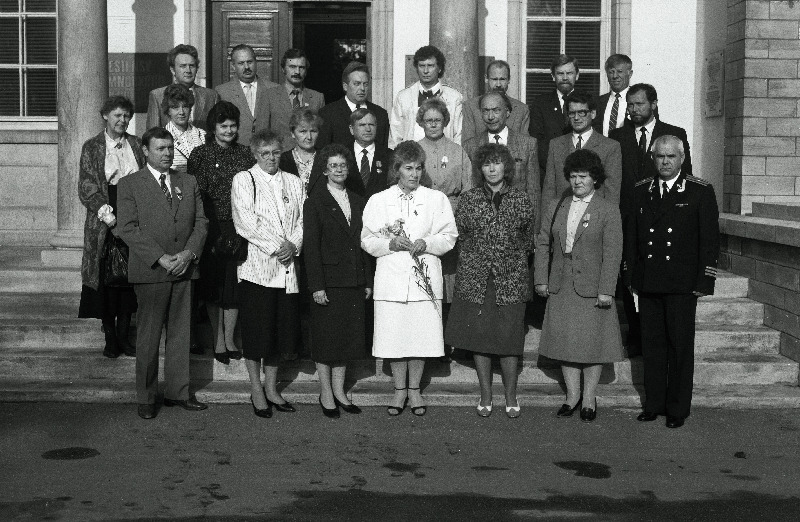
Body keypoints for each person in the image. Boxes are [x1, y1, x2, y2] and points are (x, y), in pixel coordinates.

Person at [624, 135, 719, 429]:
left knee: (679, 346)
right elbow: (632, 237)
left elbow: (709, 240)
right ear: (653, 158)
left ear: (681, 158)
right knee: (652, 346)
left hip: (681, 282)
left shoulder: (699, 191)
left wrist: (704, 280)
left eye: (670, 157)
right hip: (649, 280)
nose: (665, 162)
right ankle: (654, 404)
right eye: (660, 157)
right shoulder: (641, 190)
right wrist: (630, 276)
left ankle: (677, 408)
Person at [117, 127, 209, 420]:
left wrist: (188, 254)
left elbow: (201, 222)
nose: (167, 154)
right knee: (149, 335)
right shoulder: (130, 184)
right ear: (145, 151)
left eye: (170, 148)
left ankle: (177, 392)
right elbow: (128, 228)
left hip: (184, 267)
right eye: (160, 149)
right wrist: (160, 257)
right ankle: (146, 396)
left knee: (181, 334)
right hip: (151, 270)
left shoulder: (188, 180)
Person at [361, 141, 458, 416]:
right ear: (397, 170)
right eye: (408, 168)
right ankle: (398, 390)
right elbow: (367, 239)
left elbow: (449, 235)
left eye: (418, 168)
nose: (414, 174)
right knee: (394, 337)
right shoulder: (379, 200)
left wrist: (425, 243)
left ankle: (414, 390)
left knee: (419, 337)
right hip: (391, 279)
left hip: (424, 276)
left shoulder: (435, 199)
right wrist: (390, 245)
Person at [445, 143, 534, 418]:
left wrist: (507, 258)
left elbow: (527, 239)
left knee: (508, 339)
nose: (492, 169)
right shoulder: (469, 199)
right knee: (480, 337)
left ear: (506, 167)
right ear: (480, 168)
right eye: (487, 164)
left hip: (510, 278)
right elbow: (459, 236)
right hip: (476, 277)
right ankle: (486, 394)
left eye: (497, 163)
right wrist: (478, 259)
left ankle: (510, 395)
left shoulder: (520, 199)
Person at [534, 149, 624, 422]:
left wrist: (607, 288)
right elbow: (542, 243)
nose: (577, 182)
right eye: (573, 176)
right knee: (566, 343)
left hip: (593, 286)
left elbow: (613, 252)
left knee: (592, 343)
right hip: (561, 283)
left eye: (583, 176)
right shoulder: (556, 205)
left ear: (594, 179)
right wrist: (541, 278)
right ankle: (572, 396)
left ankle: (588, 399)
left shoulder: (608, 209)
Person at [610, 83, 692, 356]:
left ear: (653, 104)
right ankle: (635, 336)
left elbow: (685, 180)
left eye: (640, 104)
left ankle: (658, 336)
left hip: (660, 217)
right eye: (630, 105)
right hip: (626, 216)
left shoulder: (674, 134)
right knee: (629, 275)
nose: (634, 110)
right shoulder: (617, 136)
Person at [232, 130, 306, 418]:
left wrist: (293, 245)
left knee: (278, 333)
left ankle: (272, 388)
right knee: (256, 332)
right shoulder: (244, 180)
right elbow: (245, 222)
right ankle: (256, 389)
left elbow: (302, 219)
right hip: (257, 269)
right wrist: (279, 247)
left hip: (287, 271)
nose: (272, 158)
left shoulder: (294, 181)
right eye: (265, 153)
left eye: (276, 152)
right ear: (255, 154)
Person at [303, 144, 374, 418]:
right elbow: (311, 246)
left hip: (353, 279)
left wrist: (366, 279)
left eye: (343, 165)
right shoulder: (316, 201)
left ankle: (340, 391)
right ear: (324, 170)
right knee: (326, 339)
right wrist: (317, 286)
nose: (339, 169)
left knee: (345, 339)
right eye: (333, 165)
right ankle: (325, 393)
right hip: (328, 280)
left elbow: (363, 242)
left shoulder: (357, 200)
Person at [188, 101, 256, 364]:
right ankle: (217, 341)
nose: (229, 130)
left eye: (233, 125)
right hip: (211, 225)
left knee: (234, 287)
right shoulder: (200, 154)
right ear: (213, 127)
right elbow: (197, 194)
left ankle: (230, 340)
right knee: (215, 286)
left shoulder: (245, 154)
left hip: (239, 225)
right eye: (223, 125)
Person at [78, 95, 146, 358]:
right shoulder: (92, 147)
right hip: (103, 214)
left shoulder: (137, 145)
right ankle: (109, 336)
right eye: (117, 115)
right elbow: (87, 186)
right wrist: (110, 218)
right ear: (106, 115)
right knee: (106, 277)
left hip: (134, 211)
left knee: (129, 278)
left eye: (126, 116)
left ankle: (124, 335)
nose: (122, 120)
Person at [416, 97, 472, 303]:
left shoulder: (458, 151)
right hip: (422, 216)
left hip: (452, 214)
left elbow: (469, 189)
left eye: (437, 120)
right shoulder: (414, 149)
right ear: (421, 122)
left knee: (450, 269)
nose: (432, 124)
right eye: (428, 119)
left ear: (445, 122)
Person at [462, 92, 540, 228]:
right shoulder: (470, 146)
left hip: (518, 222)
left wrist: (533, 231)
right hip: (482, 225)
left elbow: (533, 191)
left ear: (508, 112)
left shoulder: (528, 145)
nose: (491, 117)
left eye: (496, 110)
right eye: (486, 111)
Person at [543, 91, 621, 205]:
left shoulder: (610, 147)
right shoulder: (556, 145)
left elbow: (612, 193)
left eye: (582, 112)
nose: (576, 117)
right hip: (562, 216)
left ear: (593, 113)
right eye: (572, 113)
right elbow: (549, 189)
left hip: (595, 217)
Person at [389, 45, 463, 148]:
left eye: (430, 65)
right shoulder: (403, 97)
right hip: (411, 158)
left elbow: (458, 135)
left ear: (439, 68)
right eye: (422, 65)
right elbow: (395, 136)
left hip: (444, 157)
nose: (425, 71)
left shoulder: (454, 98)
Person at [308, 108, 391, 200]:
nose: (368, 129)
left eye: (371, 125)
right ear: (351, 129)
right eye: (362, 125)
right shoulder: (338, 154)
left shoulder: (390, 155)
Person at [317, 61, 390, 150]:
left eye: (365, 84)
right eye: (357, 84)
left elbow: (384, 152)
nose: (362, 88)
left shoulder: (380, 114)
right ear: (345, 86)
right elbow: (323, 152)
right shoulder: (328, 113)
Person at [215, 44, 277, 146]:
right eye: (241, 63)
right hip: (235, 151)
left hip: (265, 150)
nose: (246, 67)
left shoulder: (273, 89)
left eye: (249, 62)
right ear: (233, 66)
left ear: (256, 62)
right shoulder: (222, 92)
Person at [146, 44, 220, 129]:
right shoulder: (157, 95)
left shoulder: (211, 96)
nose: (188, 70)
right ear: (173, 70)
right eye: (183, 66)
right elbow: (152, 133)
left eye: (191, 66)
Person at [264, 49, 325, 151]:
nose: (297, 72)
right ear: (283, 69)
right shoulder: (269, 96)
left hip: (308, 157)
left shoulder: (317, 97)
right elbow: (262, 134)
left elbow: (322, 134)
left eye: (301, 67)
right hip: (279, 157)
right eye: (292, 67)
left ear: (306, 71)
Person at [461, 60, 530, 143]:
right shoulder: (470, 107)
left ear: (509, 80)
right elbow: (468, 144)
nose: (498, 84)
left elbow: (525, 145)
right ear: (486, 79)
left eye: (502, 79)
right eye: (494, 79)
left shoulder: (521, 109)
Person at [529, 54, 576, 175]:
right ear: (553, 76)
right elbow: (536, 141)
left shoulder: (587, 102)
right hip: (549, 172)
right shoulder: (540, 103)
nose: (565, 78)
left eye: (569, 73)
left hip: (580, 172)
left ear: (577, 75)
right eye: (560, 73)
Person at [162, 84, 206, 174]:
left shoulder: (202, 135)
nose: (181, 112)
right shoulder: (161, 137)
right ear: (168, 110)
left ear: (190, 109)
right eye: (175, 107)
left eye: (185, 106)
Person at [278, 108, 322, 193]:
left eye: (313, 131)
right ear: (292, 133)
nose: (309, 137)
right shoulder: (282, 160)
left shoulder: (326, 158)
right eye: (303, 131)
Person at [593, 54, 634, 136]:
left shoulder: (639, 101)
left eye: (620, 71)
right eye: (611, 72)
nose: (615, 76)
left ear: (630, 74)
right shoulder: (597, 102)